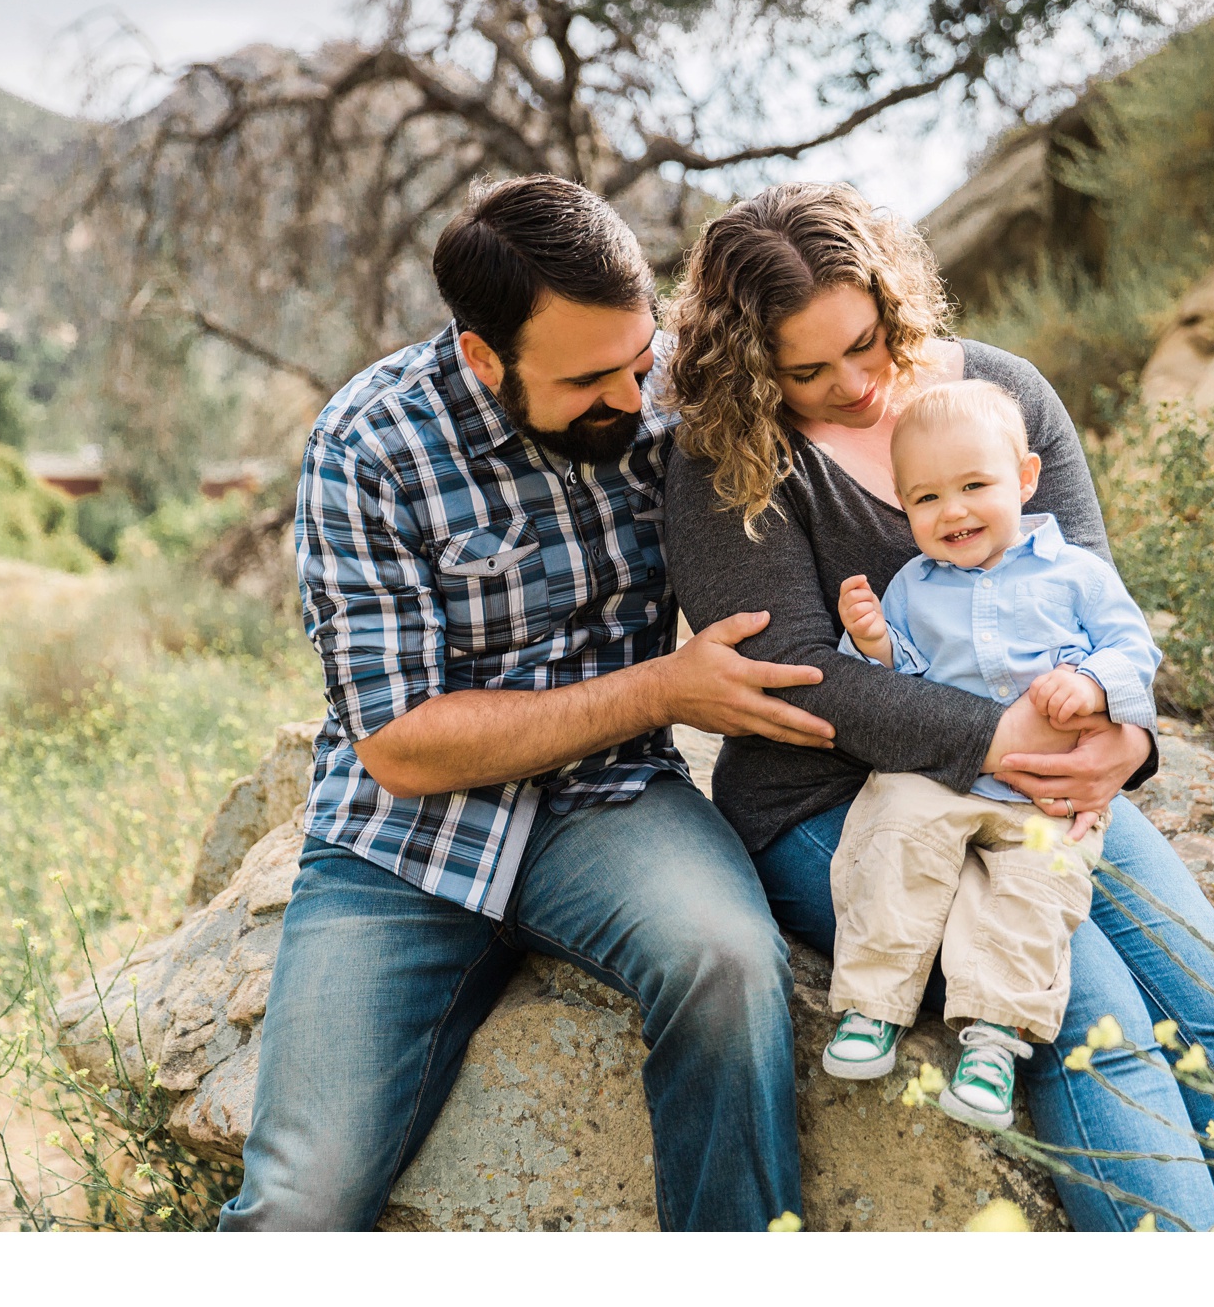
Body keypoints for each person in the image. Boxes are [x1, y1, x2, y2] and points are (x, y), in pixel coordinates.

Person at [661, 181, 1214, 1231]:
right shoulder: (725, 454)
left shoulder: (1000, 391)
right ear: (751, 364)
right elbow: (798, 673)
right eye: (805, 371)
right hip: (839, 800)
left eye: (864, 344)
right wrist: (994, 733)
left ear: (890, 300)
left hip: (1046, 778)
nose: (852, 385)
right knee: (1094, 1014)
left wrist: (1123, 736)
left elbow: (1093, 595)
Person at [220, 175, 836, 1232]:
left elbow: (870, 391)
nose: (632, 398)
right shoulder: (366, 446)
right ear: (480, 356)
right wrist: (665, 687)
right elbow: (403, 748)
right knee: (297, 1201)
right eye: (589, 378)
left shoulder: (669, 386)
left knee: (730, 968)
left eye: (639, 359)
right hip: (401, 846)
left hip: (613, 802)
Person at [819, 379, 1163, 1137]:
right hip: (938, 778)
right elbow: (896, 687)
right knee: (892, 843)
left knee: (1035, 893)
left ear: (1026, 480)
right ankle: (871, 1007)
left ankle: (993, 1045)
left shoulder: (1074, 572)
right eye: (927, 499)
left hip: (1045, 793)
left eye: (975, 486)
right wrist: (876, 640)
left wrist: (1092, 684)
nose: (955, 512)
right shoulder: (912, 584)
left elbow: (1132, 648)